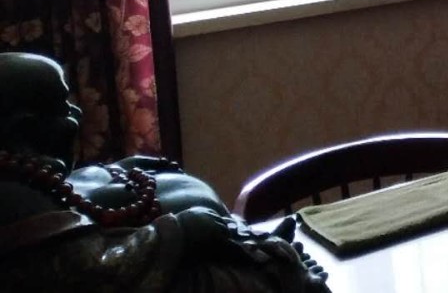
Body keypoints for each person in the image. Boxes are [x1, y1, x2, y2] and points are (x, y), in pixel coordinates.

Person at [0, 52, 327, 292]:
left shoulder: (38, 180)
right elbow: (88, 271)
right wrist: (178, 230)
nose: (77, 112)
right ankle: (275, 268)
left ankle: (264, 253)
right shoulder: (14, 199)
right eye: (63, 108)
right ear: (23, 130)